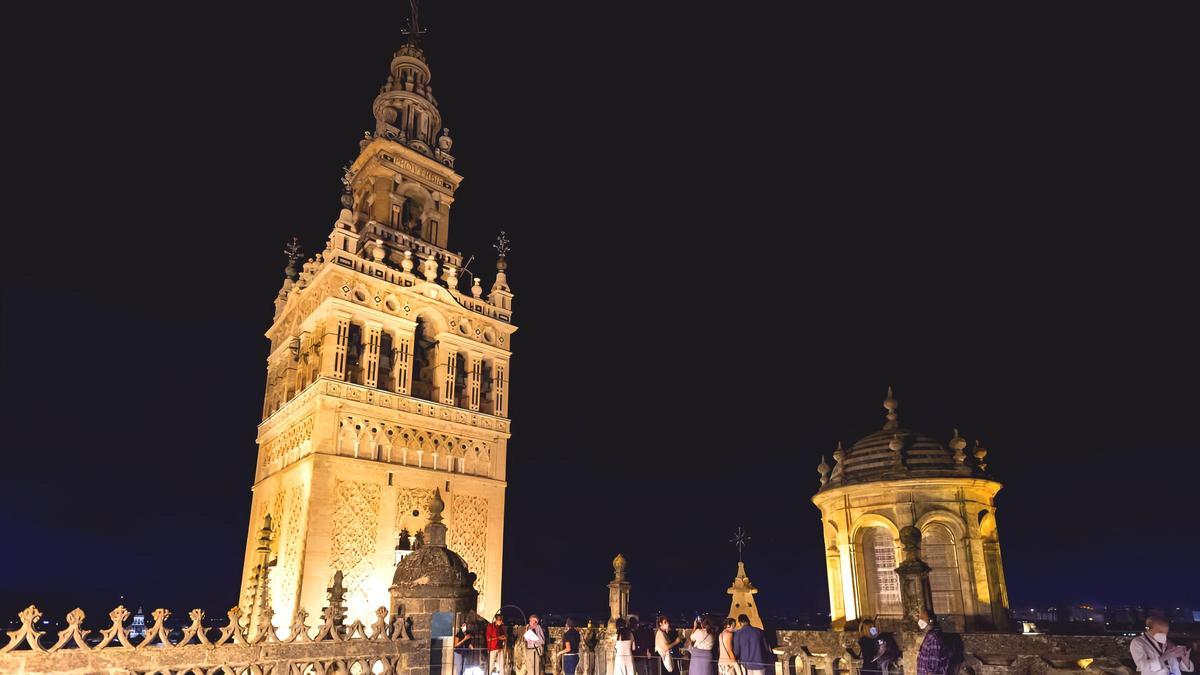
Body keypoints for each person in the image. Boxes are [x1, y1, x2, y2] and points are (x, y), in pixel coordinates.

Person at [915, 609, 952, 675]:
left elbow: (933, 664)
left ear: (931, 621)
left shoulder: (934, 638)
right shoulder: (929, 636)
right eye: (920, 618)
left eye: (923, 618)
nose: (920, 620)